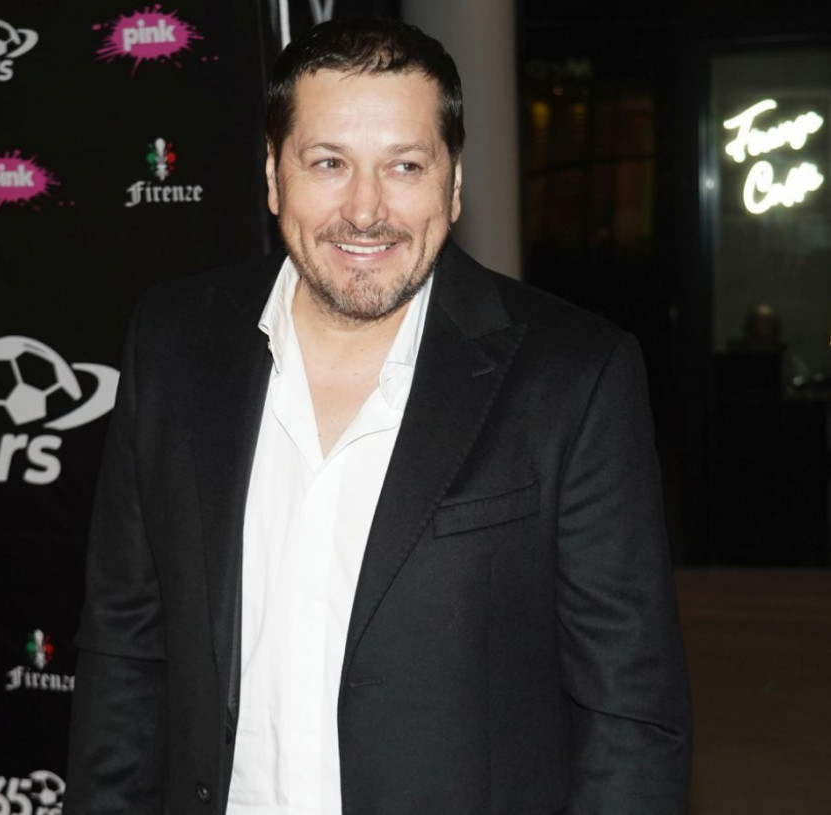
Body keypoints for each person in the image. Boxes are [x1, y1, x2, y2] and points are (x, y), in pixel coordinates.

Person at [64, 17, 691, 815]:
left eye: (405, 165)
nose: (366, 210)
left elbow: (630, 713)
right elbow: (126, 643)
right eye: (329, 162)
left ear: (453, 185)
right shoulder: (173, 341)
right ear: (273, 175)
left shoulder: (575, 375)